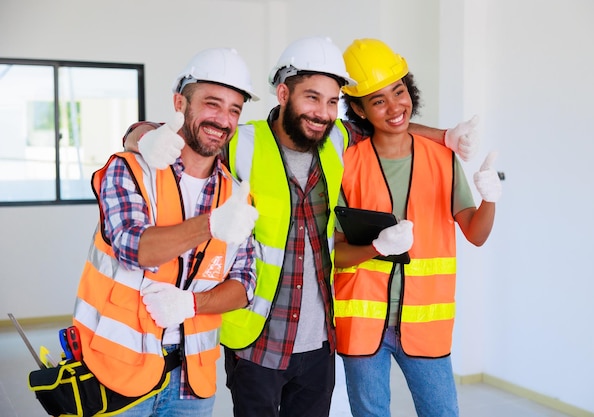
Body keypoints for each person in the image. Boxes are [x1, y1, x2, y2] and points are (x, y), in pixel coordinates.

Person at [123, 36, 481, 417]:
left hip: (318, 343)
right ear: (283, 93)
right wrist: (142, 138)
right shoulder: (241, 141)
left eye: (331, 102)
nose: (322, 112)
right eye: (311, 98)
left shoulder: (337, 137)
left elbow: (390, 123)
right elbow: (173, 132)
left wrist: (444, 137)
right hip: (256, 338)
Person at [72, 47, 260, 417]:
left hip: (192, 379)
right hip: (115, 372)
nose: (223, 119)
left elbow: (244, 286)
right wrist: (209, 225)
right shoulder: (130, 170)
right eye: (212, 103)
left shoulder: (236, 194)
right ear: (180, 103)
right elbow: (134, 248)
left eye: (234, 109)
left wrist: (193, 304)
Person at [332, 38, 502, 417]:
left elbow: (475, 234)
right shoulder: (347, 162)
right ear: (358, 108)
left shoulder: (443, 159)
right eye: (378, 100)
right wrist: (377, 247)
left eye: (399, 90)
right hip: (361, 324)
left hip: (425, 323)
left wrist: (489, 198)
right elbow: (336, 254)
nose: (395, 107)